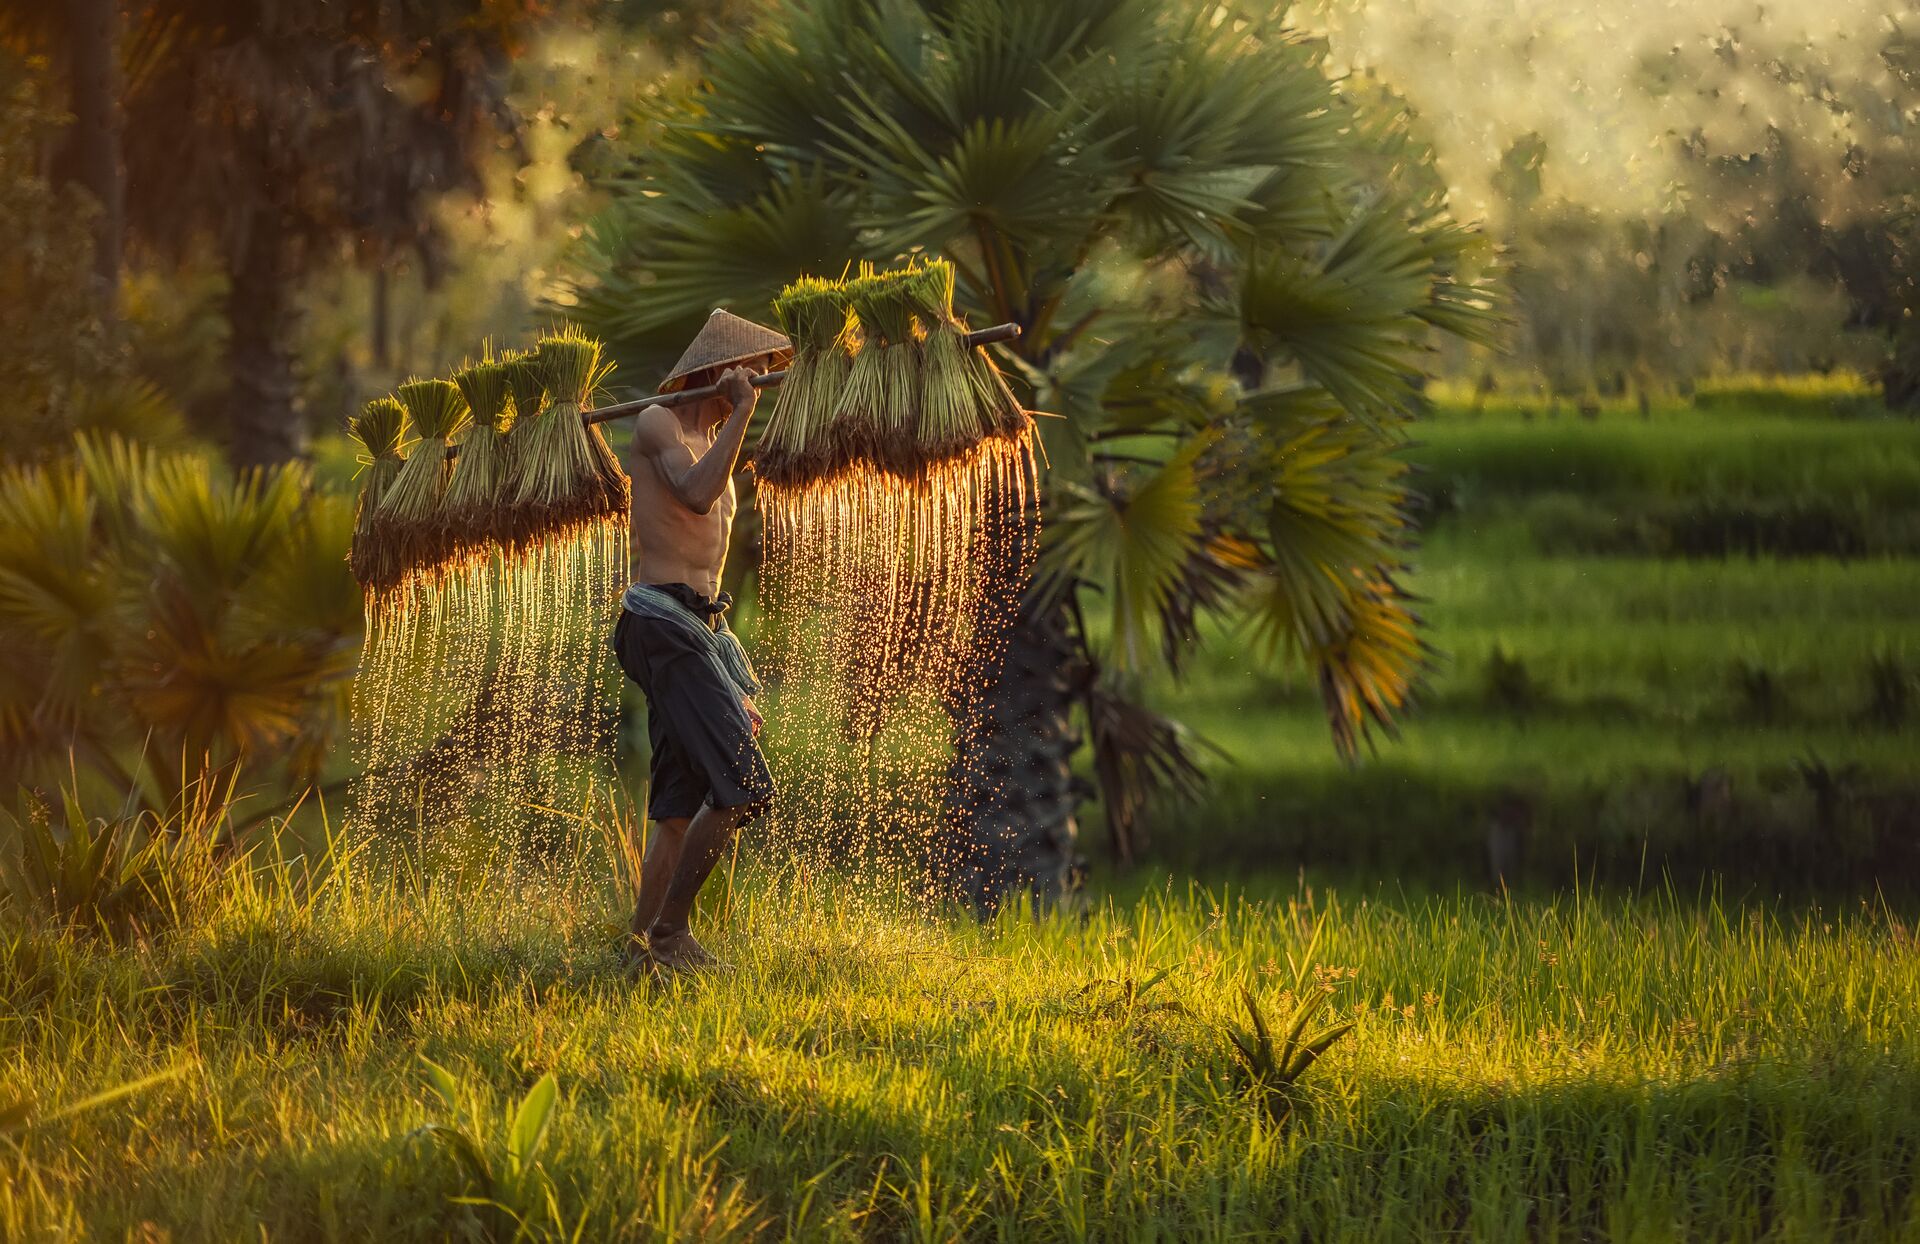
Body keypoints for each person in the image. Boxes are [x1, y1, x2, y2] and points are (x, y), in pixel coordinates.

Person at [612, 310, 791, 974]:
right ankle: (670, 934)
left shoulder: (716, 437)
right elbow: (691, 493)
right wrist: (742, 413)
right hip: (659, 624)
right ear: (718, 371)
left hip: (698, 630)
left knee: (678, 810)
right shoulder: (661, 420)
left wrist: (728, 669)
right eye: (748, 377)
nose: (754, 390)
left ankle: (635, 951)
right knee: (741, 785)